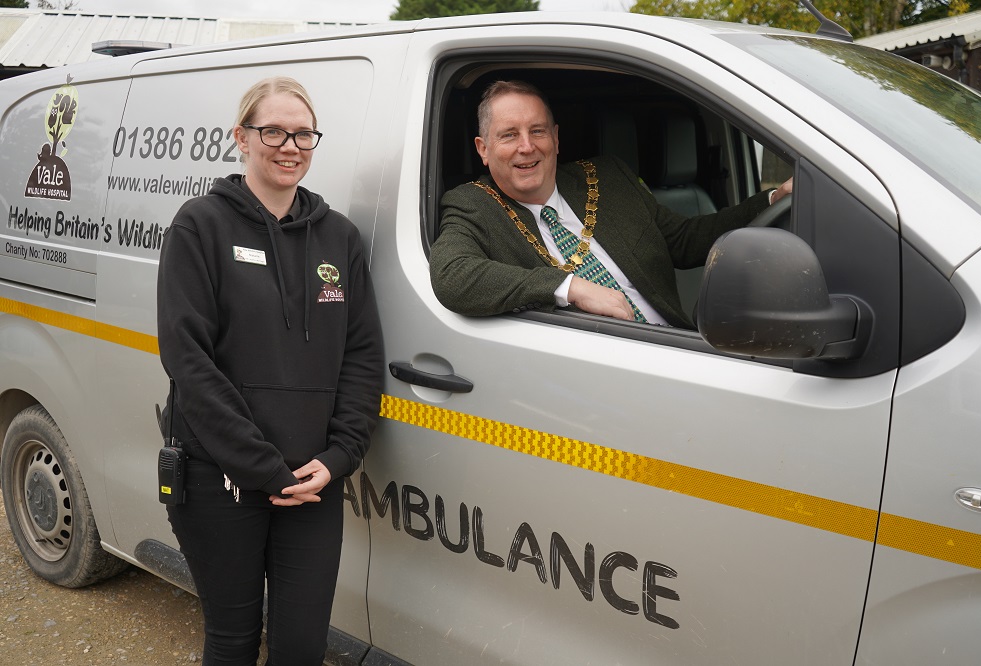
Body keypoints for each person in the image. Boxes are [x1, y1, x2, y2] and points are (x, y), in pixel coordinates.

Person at [156, 76, 384, 665]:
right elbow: (188, 361)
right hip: (218, 477)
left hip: (313, 482)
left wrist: (337, 461)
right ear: (242, 138)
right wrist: (263, 468)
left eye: (303, 133)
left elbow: (362, 358)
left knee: (302, 647)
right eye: (273, 131)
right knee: (232, 642)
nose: (290, 145)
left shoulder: (339, 238)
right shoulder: (200, 226)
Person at [429, 80, 793, 328]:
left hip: (679, 345)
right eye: (509, 135)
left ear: (556, 139)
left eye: (537, 131)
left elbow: (683, 240)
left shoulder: (606, 176)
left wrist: (774, 199)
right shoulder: (471, 204)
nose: (527, 146)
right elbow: (452, 277)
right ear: (483, 149)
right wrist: (570, 288)